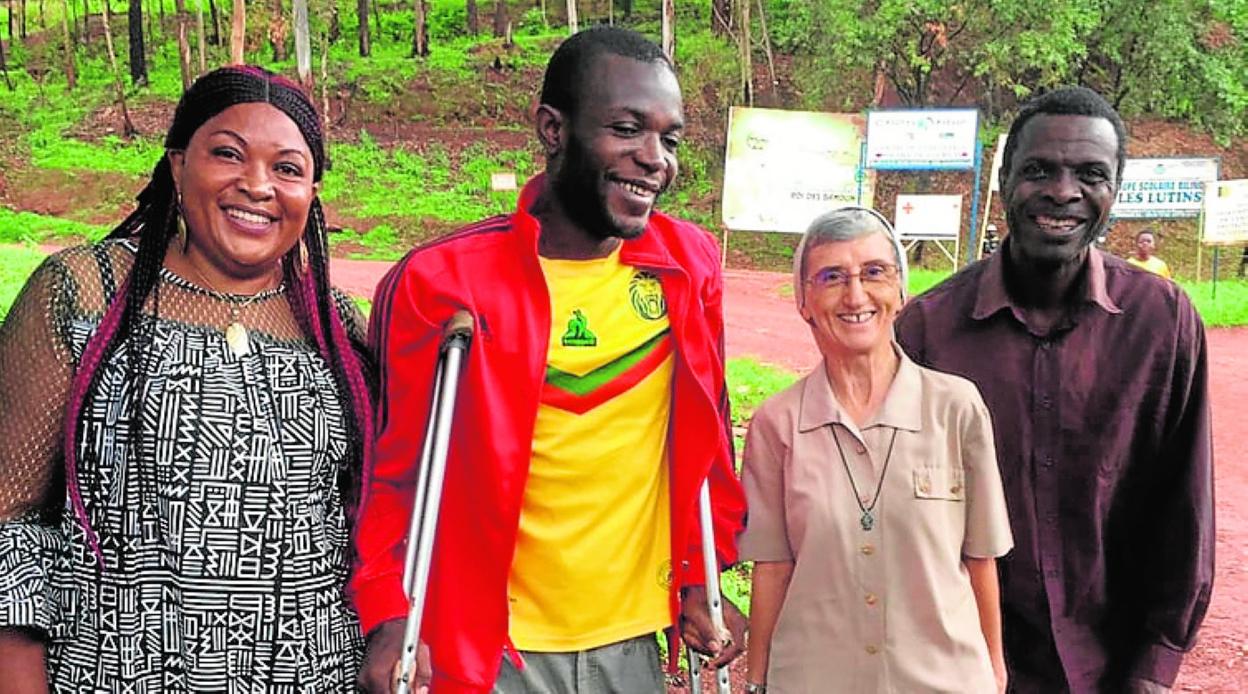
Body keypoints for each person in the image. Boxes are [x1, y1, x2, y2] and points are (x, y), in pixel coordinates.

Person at [352, 27, 747, 694]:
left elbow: (705, 436)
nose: (654, 159)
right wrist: (389, 615)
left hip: (631, 641)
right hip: (487, 649)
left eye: (670, 139)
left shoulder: (688, 265)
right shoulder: (440, 282)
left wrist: (700, 578)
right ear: (553, 128)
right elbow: (394, 475)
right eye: (627, 129)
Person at [0, 66, 374, 691]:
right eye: (227, 154)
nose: (257, 186)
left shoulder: (334, 324)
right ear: (177, 164)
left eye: (287, 168)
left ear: (311, 192)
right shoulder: (82, 292)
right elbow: (9, 520)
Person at [896, 87, 1214, 693]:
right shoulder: (929, 330)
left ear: (1115, 191)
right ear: (1005, 182)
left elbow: (1185, 507)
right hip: (967, 666)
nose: (1063, 192)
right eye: (1039, 170)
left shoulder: (1162, 322)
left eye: (1089, 174)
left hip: (1112, 668)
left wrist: (1154, 667)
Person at [740, 207, 1013, 694]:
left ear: (901, 292)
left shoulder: (956, 408)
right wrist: (757, 681)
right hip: (813, 680)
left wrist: (992, 670)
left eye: (874, 273)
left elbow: (980, 558)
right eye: (831, 277)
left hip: (943, 680)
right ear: (804, 301)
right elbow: (773, 568)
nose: (856, 295)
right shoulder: (776, 425)